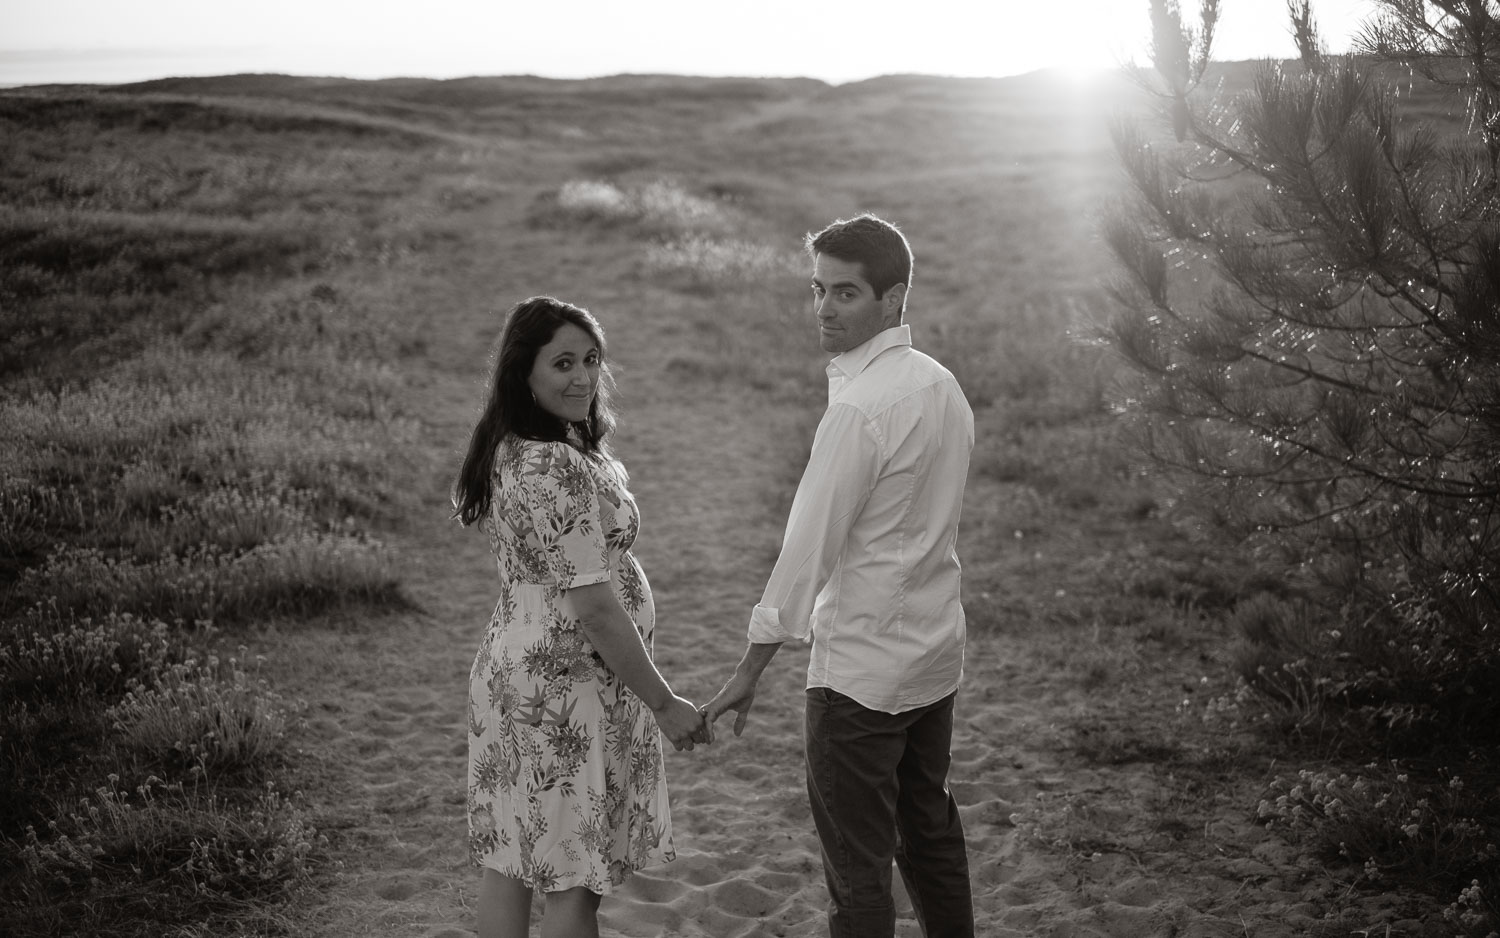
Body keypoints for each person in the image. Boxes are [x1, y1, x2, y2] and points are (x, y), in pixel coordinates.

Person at [704, 214, 976, 938]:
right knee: (931, 837)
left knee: (859, 876)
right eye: (818, 289)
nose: (824, 309)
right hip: (932, 660)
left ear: (894, 300)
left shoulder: (859, 410)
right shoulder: (942, 385)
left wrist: (750, 670)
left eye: (846, 293)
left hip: (858, 679)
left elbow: (805, 555)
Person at [453, 296, 708, 938]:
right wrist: (663, 702)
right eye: (562, 362)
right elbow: (594, 607)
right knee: (574, 878)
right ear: (524, 372)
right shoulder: (555, 464)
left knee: (511, 857)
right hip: (565, 691)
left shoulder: (516, 445)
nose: (582, 377)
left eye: (591, 360)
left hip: (516, 669)